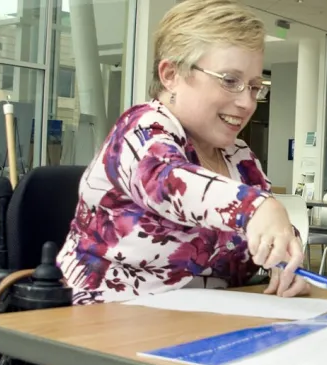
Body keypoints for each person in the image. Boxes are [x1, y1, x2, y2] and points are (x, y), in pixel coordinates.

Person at [57, 0, 309, 306]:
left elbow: (261, 232)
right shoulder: (141, 130)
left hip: (206, 324)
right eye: (230, 81)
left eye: (255, 86)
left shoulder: (239, 157)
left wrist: (284, 255)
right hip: (104, 323)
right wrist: (258, 208)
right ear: (171, 74)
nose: (247, 103)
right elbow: (165, 180)